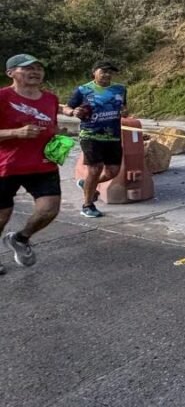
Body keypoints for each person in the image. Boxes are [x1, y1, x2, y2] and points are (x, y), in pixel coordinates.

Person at [0, 54, 74, 274]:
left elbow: (50, 125)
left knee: (49, 210)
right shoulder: (2, 97)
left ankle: (21, 238)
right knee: (2, 215)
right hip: (6, 165)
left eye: (39, 68)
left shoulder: (50, 99)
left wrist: (59, 134)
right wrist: (16, 133)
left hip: (43, 164)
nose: (35, 72)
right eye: (27, 68)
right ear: (10, 73)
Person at [67, 60, 127, 218]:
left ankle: (86, 184)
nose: (107, 74)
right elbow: (67, 107)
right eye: (103, 71)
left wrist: (125, 111)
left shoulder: (120, 89)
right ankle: (87, 205)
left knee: (113, 172)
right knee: (95, 169)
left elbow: (123, 107)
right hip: (90, 134)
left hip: (113, 136)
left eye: (110, 72)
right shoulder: (83, 90)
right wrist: (73, 112)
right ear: (94, 72)